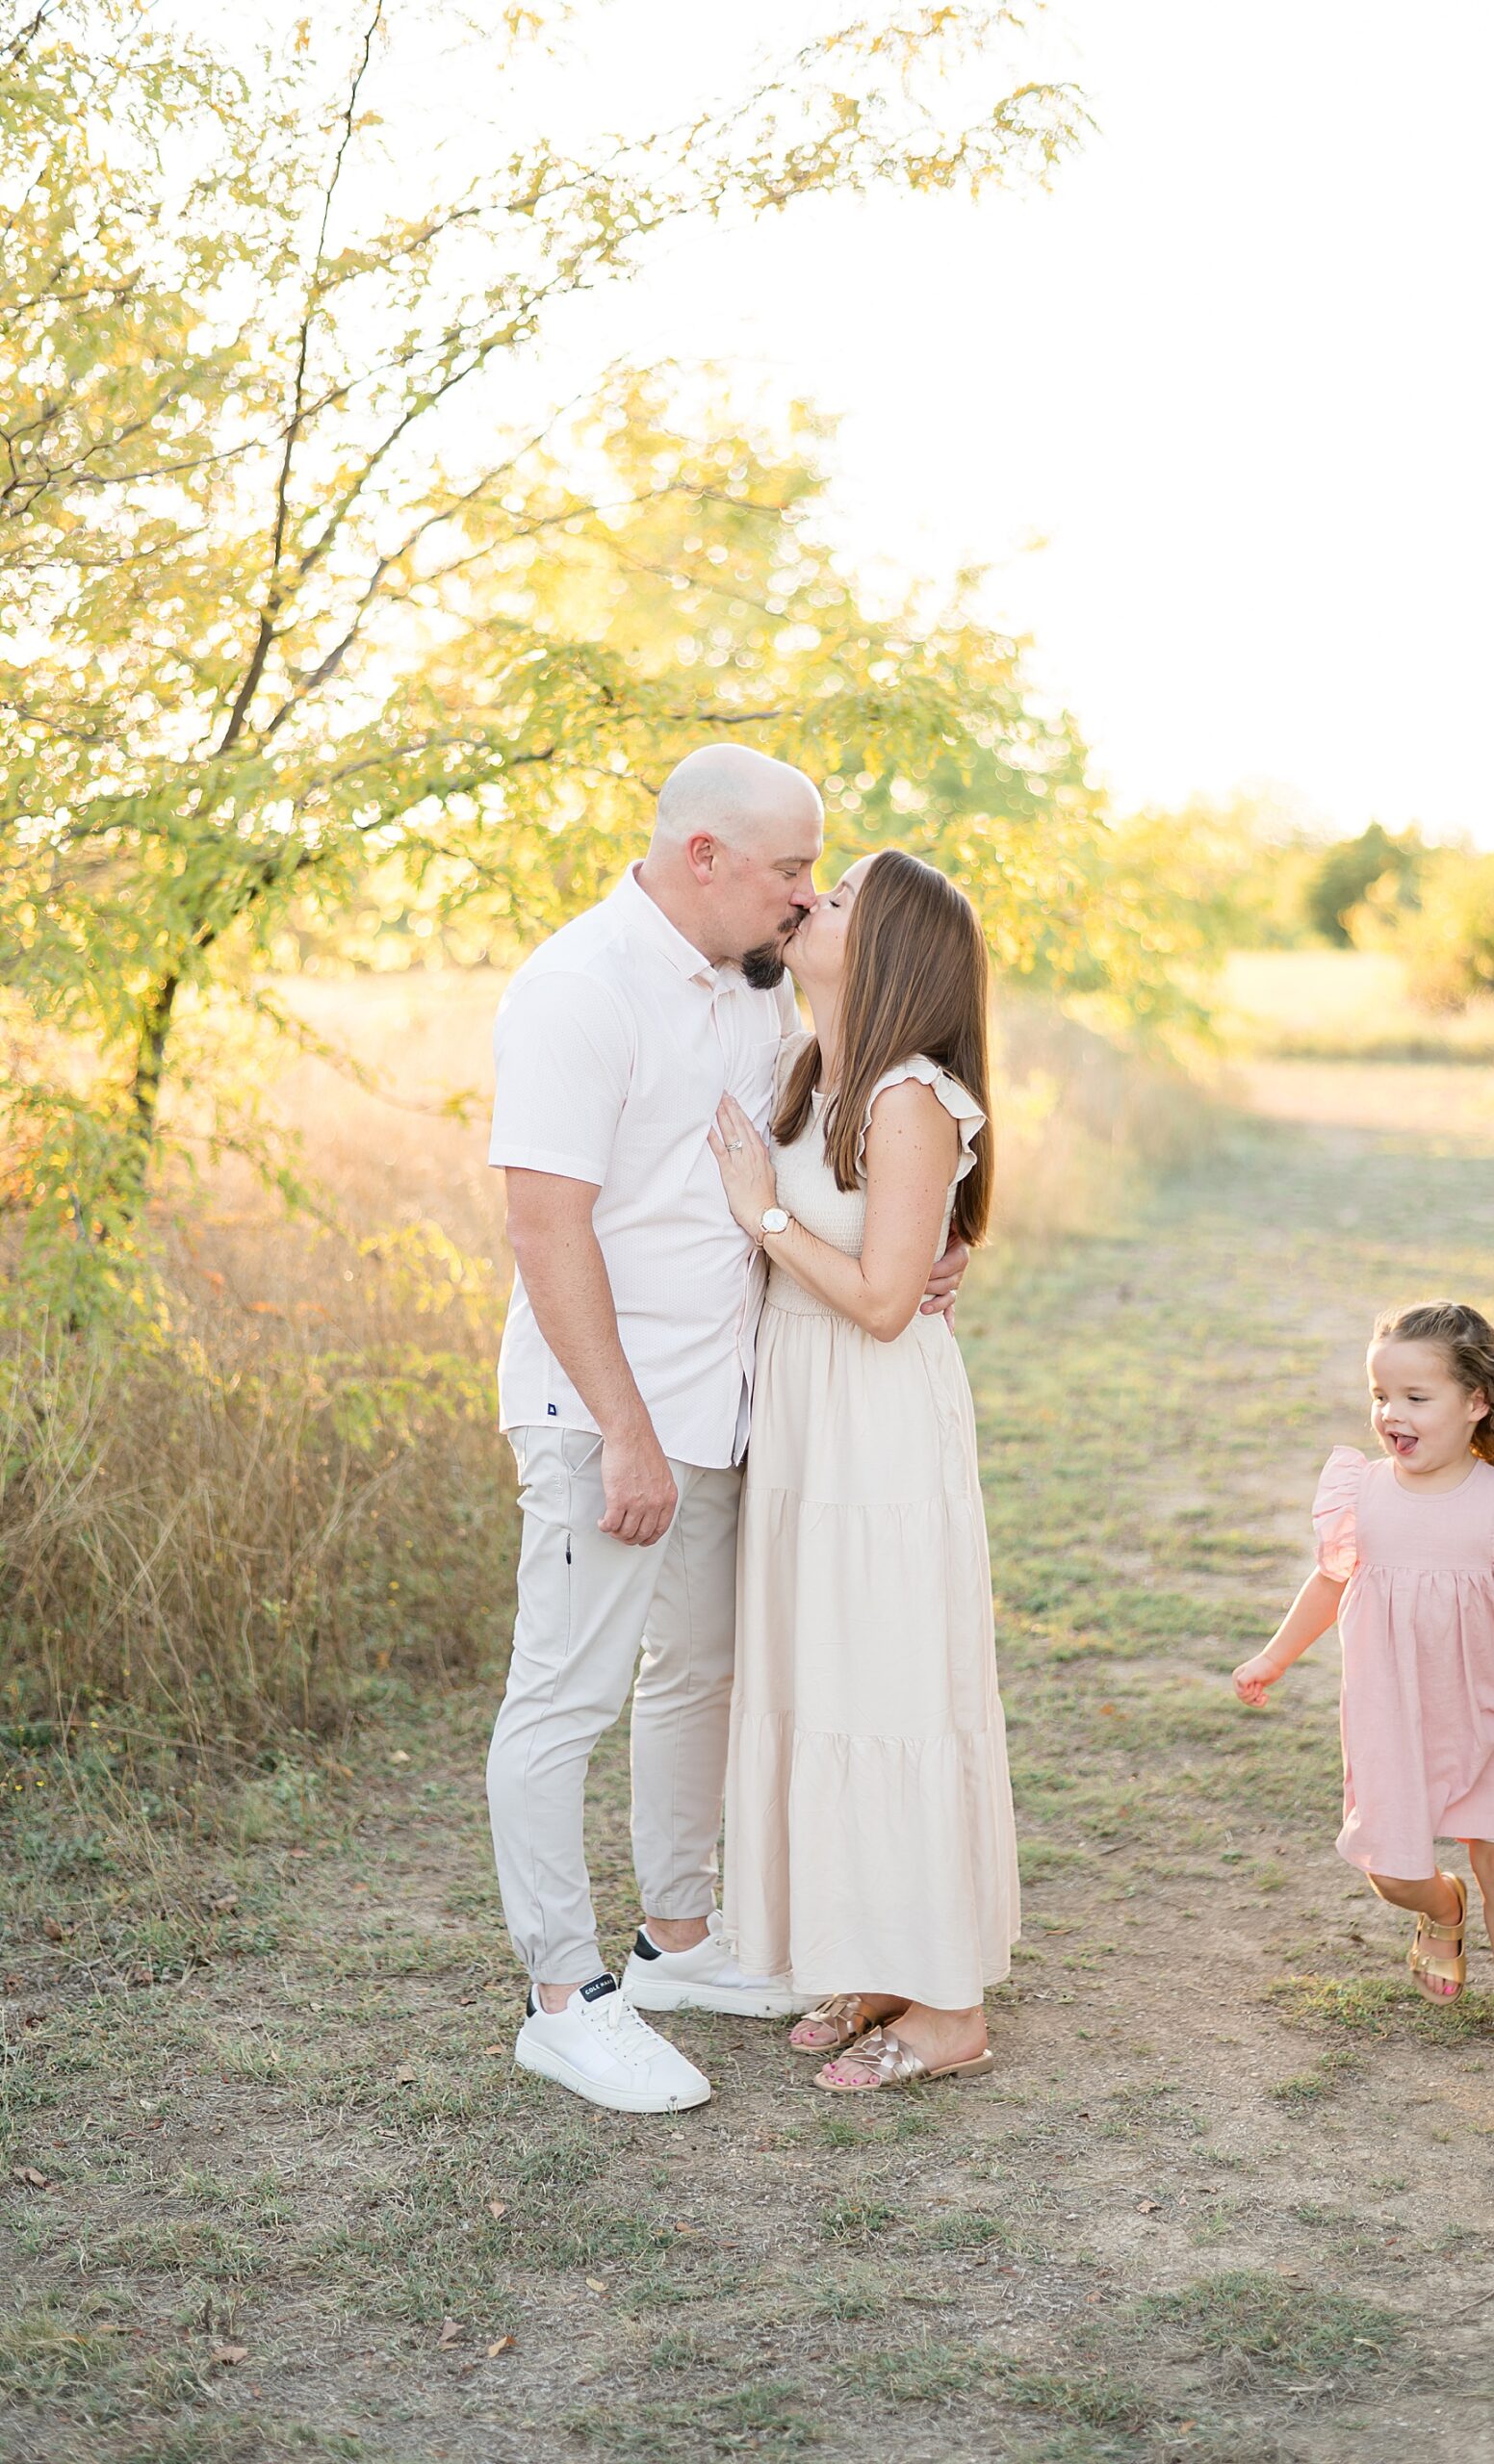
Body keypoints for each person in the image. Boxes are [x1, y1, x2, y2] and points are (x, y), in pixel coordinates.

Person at [484, 746, 965, 2115]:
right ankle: (565, 1999)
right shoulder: (579, 990)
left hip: (738, 1411)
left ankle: (677, 1947)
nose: (807, 897)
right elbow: (544, 1226)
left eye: (819, 872)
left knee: (696, 1679)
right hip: (610, 1414)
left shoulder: (759, 992)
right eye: (791, 870)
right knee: (561, 1699)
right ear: (704, 854)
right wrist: (621, 1431)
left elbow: (828, 1170)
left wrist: (924, 1255)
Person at [710, 849, 1020, 2093]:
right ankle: (882, 1954)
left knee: (888, 1689)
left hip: (874, 1428)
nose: (809, 905)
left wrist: (760, 1215)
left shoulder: (908, 1095)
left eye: (835, 899)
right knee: (828, 1683)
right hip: (806, 1420)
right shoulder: (813, 1068)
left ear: (886, 946)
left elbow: (888, 1303)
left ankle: (947, 2008)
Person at [1233, 1300, 1494, 2084]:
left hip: (1492, 1707)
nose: (1389, 1415)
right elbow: (1329, 1585)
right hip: (1392, 1716)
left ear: (1476, 1403)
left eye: (1414, 1398)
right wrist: (1273, 1657)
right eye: (1380, 1395)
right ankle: (1441, 1909)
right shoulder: (1361, 1494)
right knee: (1391, 1869)